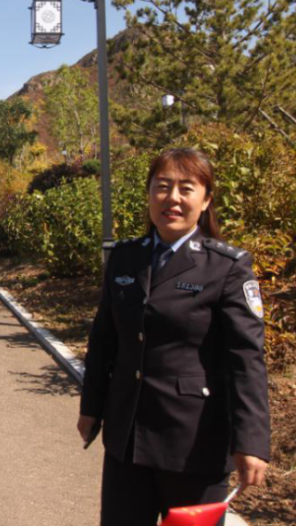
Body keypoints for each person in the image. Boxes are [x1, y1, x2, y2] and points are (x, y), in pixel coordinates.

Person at [78, 148, 270, 526]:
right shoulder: (125, 257)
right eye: (162, 187)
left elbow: (245, 360)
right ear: (149, 194)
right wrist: (92, 407)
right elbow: (104, 339)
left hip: (194, 442)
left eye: (186, 188)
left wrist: (251, 441)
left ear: (207, 199)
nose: (173, 198)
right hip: (127, 438)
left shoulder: (228, 267)